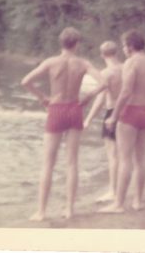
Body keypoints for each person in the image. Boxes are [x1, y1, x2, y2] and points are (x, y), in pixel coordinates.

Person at [21, 27, 106, 221]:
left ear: (61, 43)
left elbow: (25, 81)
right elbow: (103, 82)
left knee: (48, 164)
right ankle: (69, 209)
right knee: (72, 162)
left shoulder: (51, 62)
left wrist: (42, 98)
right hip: (75, 108)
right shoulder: (83, 63)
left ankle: (41, 211)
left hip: (56, 109)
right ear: (77, 44)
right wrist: (88, 97)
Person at [99, 29, 145, 213]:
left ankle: (118, 204)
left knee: (125, 159)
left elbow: (126, 92)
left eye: (125, 45)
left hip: (131, 112)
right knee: (141, 160)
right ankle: (138, 201)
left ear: (131, 46)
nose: (124, 49)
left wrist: (114, 116)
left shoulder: (131, 63)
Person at [83, 41, 123, 203]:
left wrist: (88, 120)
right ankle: (121, 189)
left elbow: (100, 100)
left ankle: (113, 191)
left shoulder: (106, 73)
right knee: (125, 155)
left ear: (102, 55)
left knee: (112, 155)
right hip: (127, 112)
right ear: (117, 52)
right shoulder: (126, 68)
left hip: (112, 112)